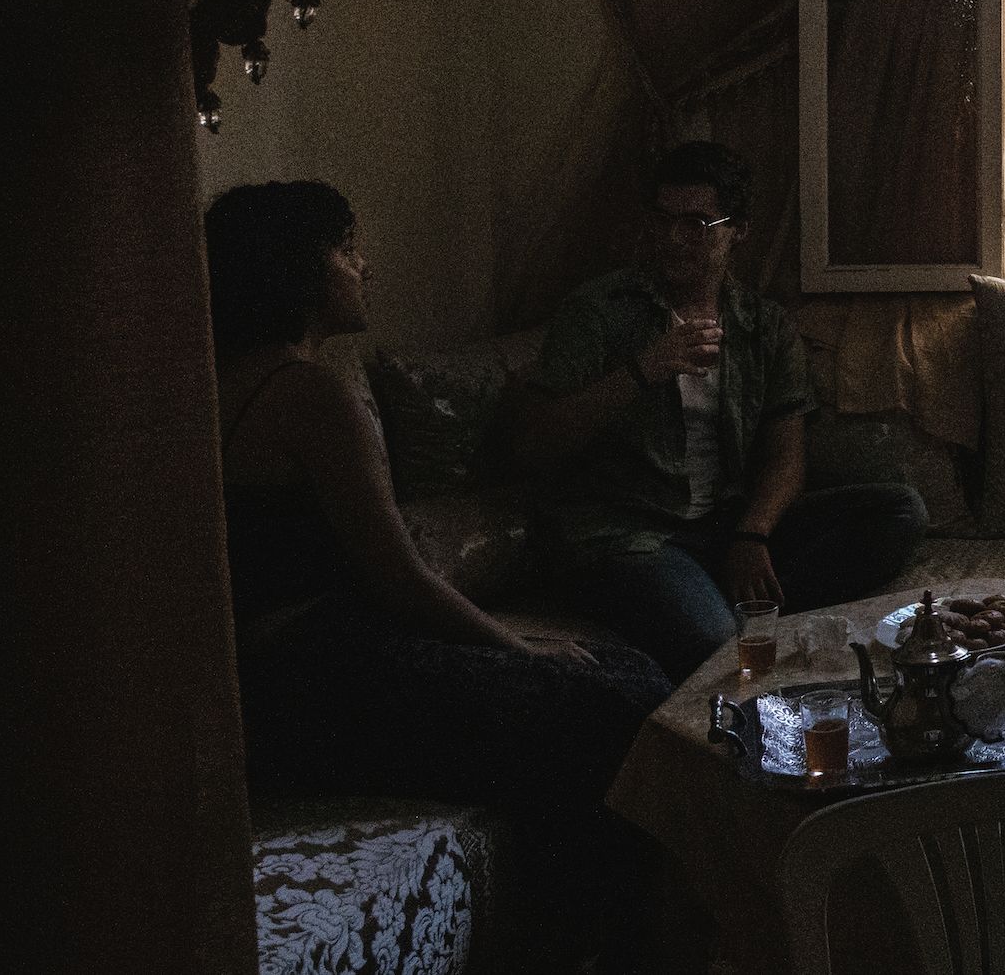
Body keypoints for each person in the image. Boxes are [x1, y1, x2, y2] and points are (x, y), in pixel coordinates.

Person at [208, 181, 669, 961]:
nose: (365, 265)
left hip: (278, 683)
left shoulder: (218, 385)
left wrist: (505, 638)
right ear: (297, 270)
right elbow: (399, 578)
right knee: (623, 695)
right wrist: (516, 645)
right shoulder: (309, 395)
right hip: (322, 683)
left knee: (611, 674)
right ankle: (607, 946)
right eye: (347, 248)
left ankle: (575, 933)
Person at [517, 141, 927, 681]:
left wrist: (752, 534)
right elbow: (535, 441)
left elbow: (787, 458)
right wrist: (645, 368)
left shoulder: (762, 325)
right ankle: (717, 618)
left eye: (696, 225)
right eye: (662, 221)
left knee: (899, 511)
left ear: (738, 232)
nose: (672, 239)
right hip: (633, 534)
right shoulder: (599, 311)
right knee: (720, 649)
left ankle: (736, 604)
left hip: (724, 526)